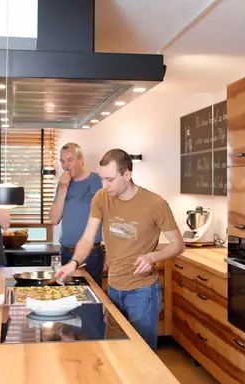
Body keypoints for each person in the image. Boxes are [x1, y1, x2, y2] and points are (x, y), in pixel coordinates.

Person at [54, 148, 184, 350]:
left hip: (142, 292)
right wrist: (74, 263)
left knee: (142, 354)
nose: (104, 185)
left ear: (127, 175)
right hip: (114, 289)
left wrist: (152, 257)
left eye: (110, 180)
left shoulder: (155, 203)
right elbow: (87, 238)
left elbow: (178, 244)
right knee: (118, 352)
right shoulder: (101, 197)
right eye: (102, 179)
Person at [49, 142, 105, 285]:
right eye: (62, 161)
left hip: (92, 254)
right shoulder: (62, 184)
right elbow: (54, 219)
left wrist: (110, 255)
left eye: (70, 160)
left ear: (81, 160)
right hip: (66, 252)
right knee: (66, 295)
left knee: (93, 294)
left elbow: (110, 217)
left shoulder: (99, 181)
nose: (66, 165)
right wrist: (63, 188)